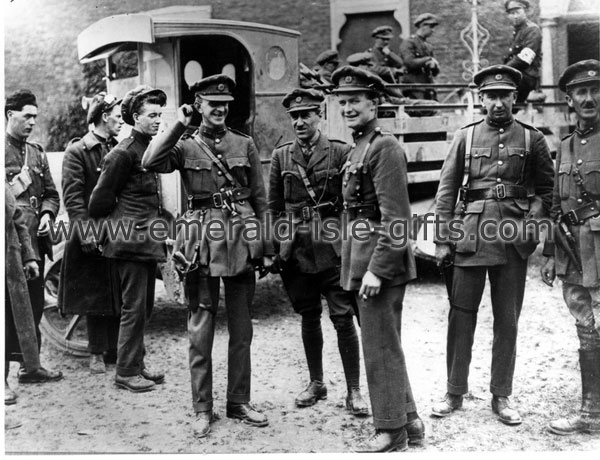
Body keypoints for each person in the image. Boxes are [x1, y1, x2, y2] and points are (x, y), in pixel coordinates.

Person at [142, 74, 272, 438]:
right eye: (212, 104)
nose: (220, 110)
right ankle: (202, 408)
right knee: (200, 330)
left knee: (242, 329)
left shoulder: (243, 143)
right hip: (200, 241)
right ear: (197, 105)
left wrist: (264, 247)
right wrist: (177, 123)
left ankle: (239, 401)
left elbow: (260, 199)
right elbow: (151, 160)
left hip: (241, 239)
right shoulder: (184, 145)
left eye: (225, 104)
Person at [432, 65, 554, 425]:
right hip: (471, 237)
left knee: (508, 321)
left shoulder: (533, 139)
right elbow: (446, 191)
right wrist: (442, 239)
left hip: (514, 241)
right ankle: (455, 391)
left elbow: (546, 191)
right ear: (480, 99)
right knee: (461, 316)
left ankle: (501, 395)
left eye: (505, 96)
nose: (498, 103)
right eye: (491, 96)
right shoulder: (465, 137)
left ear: (515, 98)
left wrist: (534, 214)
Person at [331, 66, 423, 452]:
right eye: (343, 101)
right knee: (384, 342)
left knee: (380, 346)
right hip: (361, 259)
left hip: (377, 265)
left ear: (374, 103)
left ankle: (391, 431)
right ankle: (410, 422)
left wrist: (377, 270)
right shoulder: (359, 144)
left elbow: (397, 218)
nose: (349, 107)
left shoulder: (383, 147)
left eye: (356, 101)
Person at [268, 88, 368, 416]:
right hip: (296, 250)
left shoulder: (340, 152)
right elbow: (274, 207)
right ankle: (316, 383)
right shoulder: (281, 156)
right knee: (308, 316)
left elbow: (353, 202)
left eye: (305, 115)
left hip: (332, 248)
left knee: (342, 318)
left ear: (319, 115)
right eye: (294, 116)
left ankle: (354, 390)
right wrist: (275, 249)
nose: (299, 121)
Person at [88, 85, 168, 393]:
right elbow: (99, 201)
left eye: (160, 114)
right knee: (134, 308)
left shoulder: (149, 148)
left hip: (145, 242)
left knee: (143, 307)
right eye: (151, 115)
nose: (157, 120)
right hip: (129, 243)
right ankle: (125, 371)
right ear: (136, 117)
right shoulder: (122, 154)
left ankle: (136, 363)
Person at [540, 59, 600, 436]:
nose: (589, 98)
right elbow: (555, 204)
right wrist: (548, 252)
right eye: (581, 92)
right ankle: (591, 411)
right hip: (573, 249)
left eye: (595, 91)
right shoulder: (563, 146)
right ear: (569, 100)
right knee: (585, 326)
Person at [58, 92, 124, 374]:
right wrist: (85, 234)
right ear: (104, 117)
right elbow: (73, 198)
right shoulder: (77, 152)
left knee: (116, 290)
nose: (122, 122)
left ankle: (113, 351)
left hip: (116, 231)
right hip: (90, 231)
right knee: (95, 293)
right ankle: (96, 353)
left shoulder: (118, 147)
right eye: (118, 117)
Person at [5, 89, 63, 384]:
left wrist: (47, 215)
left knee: (35, 303)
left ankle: (31, 366)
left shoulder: (37, 153)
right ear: (9, 115)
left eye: (35, 117)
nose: (31, 122)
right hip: (9, 242)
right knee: (7, 308)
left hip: (36, 241)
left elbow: (52, 195)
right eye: (26, 116)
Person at [5, 184, 62, 408]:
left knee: (22, 313)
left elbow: (17, 219)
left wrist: (29, 257)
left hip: (11, 256)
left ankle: (29, 365)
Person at [503, 0, 542, 103]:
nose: (515, 16)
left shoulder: (532, 30)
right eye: (512, 13)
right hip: (517, 77)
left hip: (527, 78)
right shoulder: (517, 32)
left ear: (526, 12)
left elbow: (524, 59)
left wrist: (503, 69)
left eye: (518, 12)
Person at [400, 13, 440, 101]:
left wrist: (434, 66)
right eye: (431, 27)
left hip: (428, 87)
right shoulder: (409, 42)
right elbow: (409, 62)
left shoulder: (428, 46)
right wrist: (428, 59)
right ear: (423, 26)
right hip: (414, 87)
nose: (433, 30)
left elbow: (435, 73)